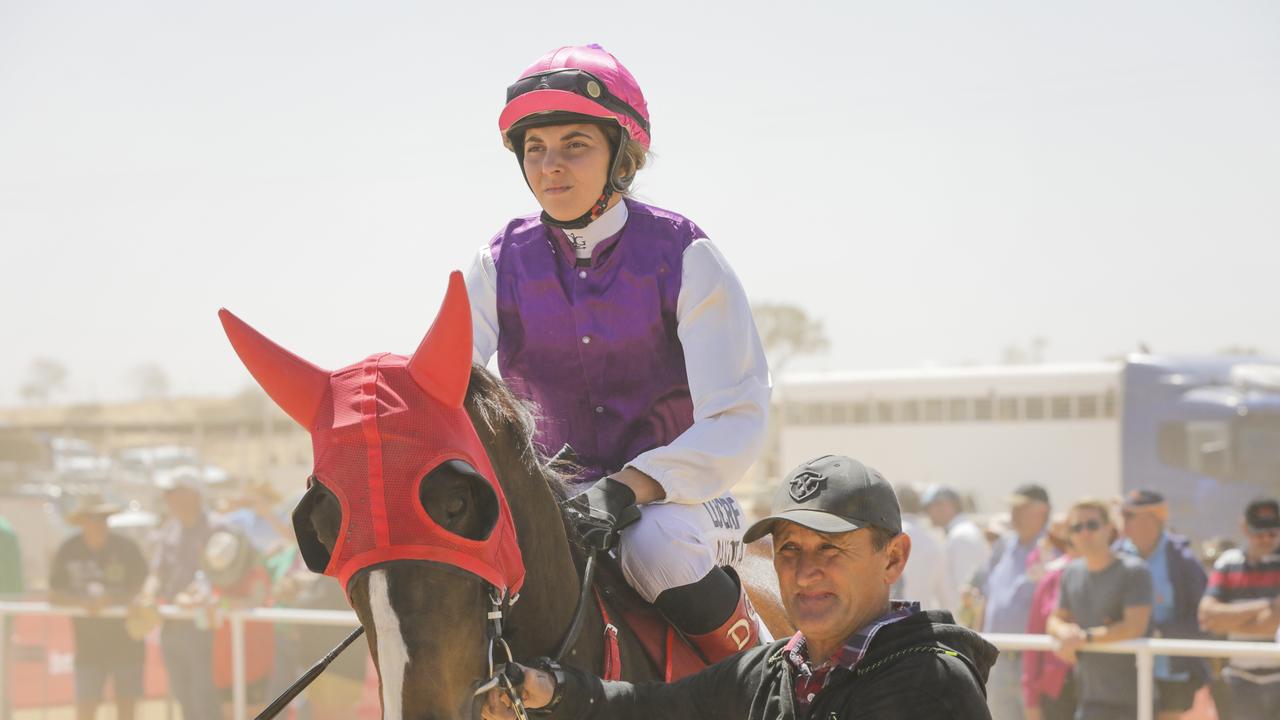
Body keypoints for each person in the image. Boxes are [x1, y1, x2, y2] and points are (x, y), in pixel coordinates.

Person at [466, 43, 771, 662]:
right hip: (557, 506)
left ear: (621, 157)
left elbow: (737, 418)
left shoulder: (686, 253)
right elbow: (446, 386)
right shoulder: (496, 262)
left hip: (683, 506)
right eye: (536, 149)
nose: (551, 165)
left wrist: (633, 486)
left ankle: (768, 685)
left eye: (574, 144)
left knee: (651, 544)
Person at [482, 454, 997, 720]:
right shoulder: (774, 669)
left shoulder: (933, 682)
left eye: (830, 549)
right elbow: (649, 707)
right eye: (790, 549)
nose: (804, 570)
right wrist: (554, 689)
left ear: (894, 558)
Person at [1047, 498, 1153, 720]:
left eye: (1092, 525)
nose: (1085, 533)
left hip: (1134, 699)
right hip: (1088, 697)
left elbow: (1134, 627)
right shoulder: (1071, 573)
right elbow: (1054, 619)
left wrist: (1083, 638)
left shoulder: (1134, 571)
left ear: (1109, 529)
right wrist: (1064, 632)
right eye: (1077, 527)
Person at [48, 496, 149, 720]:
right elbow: (54, 594)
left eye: (104, 517)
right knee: (86, 709)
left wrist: (114, 599)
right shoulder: (69, 550)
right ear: (82, 521)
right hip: (88, 646)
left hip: (127, 642)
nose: (99, 523)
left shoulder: (126, 548)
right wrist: (81, 602)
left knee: (127, 709)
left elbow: (143, 586)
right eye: (93, 518)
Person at [1115, 489, 1210, 719]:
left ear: (1152, 520)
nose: (1122, 522)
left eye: (1130, 516)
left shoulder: (1183, 561)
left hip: (1172, 670)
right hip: (1124, 671)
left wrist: (1158, 632)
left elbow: (1203, 617)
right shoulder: (1115, 556)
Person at [138, 475, 220, 720]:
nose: (170, 499)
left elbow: (227, 575)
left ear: (193, 494)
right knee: (184, 695)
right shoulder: (169, 531)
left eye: (176, 492)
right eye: (168, 494)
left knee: (205, 695)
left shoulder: (217, 527)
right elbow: (157, 573)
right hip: (172, 626)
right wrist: (147, 596)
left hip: (205, 627)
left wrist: (197, 593)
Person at [1198, 497, 1280, 719]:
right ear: (1244, 528)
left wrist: (1231, 619)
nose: (1265, 539)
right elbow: (1207, 617)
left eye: (1272, 533)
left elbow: (1273, 625)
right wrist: (1266, 606)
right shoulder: (1227, 562)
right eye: (1258, 533)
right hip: (1239, 680)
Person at [979, 484, 1052, 720]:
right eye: (1012, 509)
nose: (1013, 515)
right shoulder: (1004, 546)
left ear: (1042, 512)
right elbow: (988, 597)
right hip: (997, 661)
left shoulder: (1053, 549)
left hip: (1034, 664)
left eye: (1020, 509)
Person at [201, 528, 276, 719]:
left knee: (255, 713)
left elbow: (255, 600)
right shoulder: (216, 582)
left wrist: (223, 603)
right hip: (225, 663)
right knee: (229, 713)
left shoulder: (256, 575)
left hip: (254, 661)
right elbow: (206, 618)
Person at [1022, 514, 1077, 720]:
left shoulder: (1118, 573)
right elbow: (1032, 644)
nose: (1083, 535)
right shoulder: (1052, 578)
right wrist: (1031, 703)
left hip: (1103, 690)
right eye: (1075, 530)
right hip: (1057, 691)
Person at [922, 484, 991, 621]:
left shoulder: (961, 536)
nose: (929, 512)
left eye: (934, 505)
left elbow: (966, 591)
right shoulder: (960, 533)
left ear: (948, 505)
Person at [892, 482, 945, 609]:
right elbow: (945, 595)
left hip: (891, 619)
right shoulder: (934, 542)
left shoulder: (889, 536)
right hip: (923, 620)